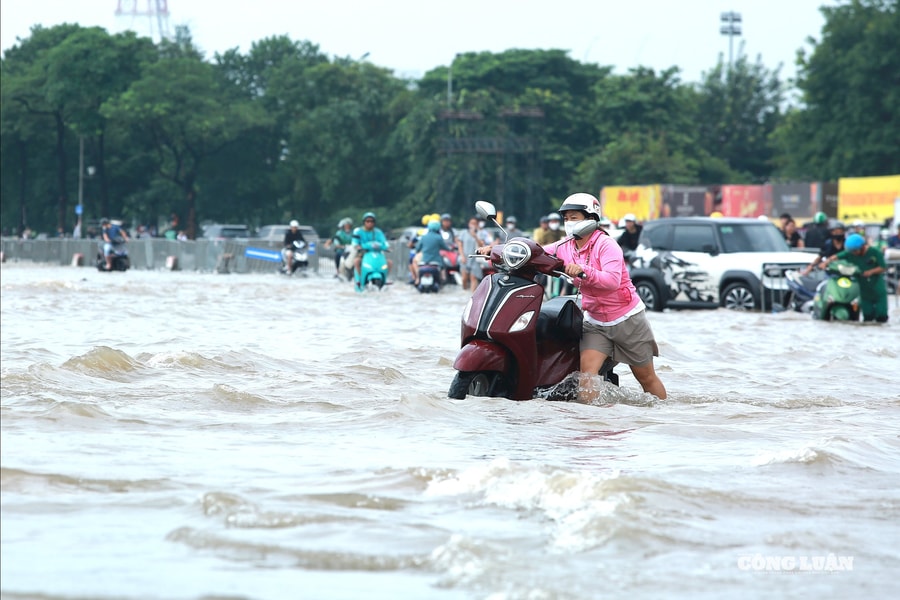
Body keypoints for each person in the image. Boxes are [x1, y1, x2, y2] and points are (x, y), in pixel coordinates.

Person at [482, 193, 666, 401]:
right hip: (595, 322)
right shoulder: (566, 245)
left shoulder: (607, 245)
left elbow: (612, 281)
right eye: (566, 218)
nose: (569, 223)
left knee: (646, 378)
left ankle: (665, 416)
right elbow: (536, 252)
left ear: (591, 219)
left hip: (627, 319)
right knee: (587, 378)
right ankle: (590, 425)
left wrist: (583, 270)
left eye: (574, 217)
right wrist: (498, 250)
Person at [821, 233, 888, 323]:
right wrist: (826, 262)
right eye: (852, 251)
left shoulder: (874, 252)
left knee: (881, 316)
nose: (854, 253)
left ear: (862, 247)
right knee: (868, 317)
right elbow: (836, 256)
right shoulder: (850, 253)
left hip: (877, 288)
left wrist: (870, 272)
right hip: (862, 290)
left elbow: (883, 267)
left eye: (855, 251)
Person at [352, 212, 392, 289]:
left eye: (372, 221)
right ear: (364, 222)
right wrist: (358, 247)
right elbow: (355, 242)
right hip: (363, 253)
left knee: (389, 263)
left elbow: (384, 242)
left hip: (377, 253)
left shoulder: (378, 232)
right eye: (367, 221)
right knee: (356, 261)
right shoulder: (358, 231)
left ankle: (385, 279)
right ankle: (360, 279)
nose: (370, 223)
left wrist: (387, 247)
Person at [412, 219, 452, 286]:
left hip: (424, 261)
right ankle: (443, 277)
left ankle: (417, 279)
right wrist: (450, 249)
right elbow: (445, 248)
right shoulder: (439, 237)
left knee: (415, 263)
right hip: (436, 261)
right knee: (443, 265)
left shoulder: (424, 237)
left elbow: (417, 248)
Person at [458, 216, 491, 291]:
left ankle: (472, 295)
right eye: (471, 223)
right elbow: (460, 245)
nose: (473, 225)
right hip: (465, 257)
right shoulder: (464, 233)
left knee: (473, 277)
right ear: (469, 224)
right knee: (464, 278)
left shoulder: (480, 233)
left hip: (475, 259)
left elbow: (481, 245)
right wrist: (462, 256)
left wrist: (475, 236)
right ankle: (464, 292)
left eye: (475, 223)